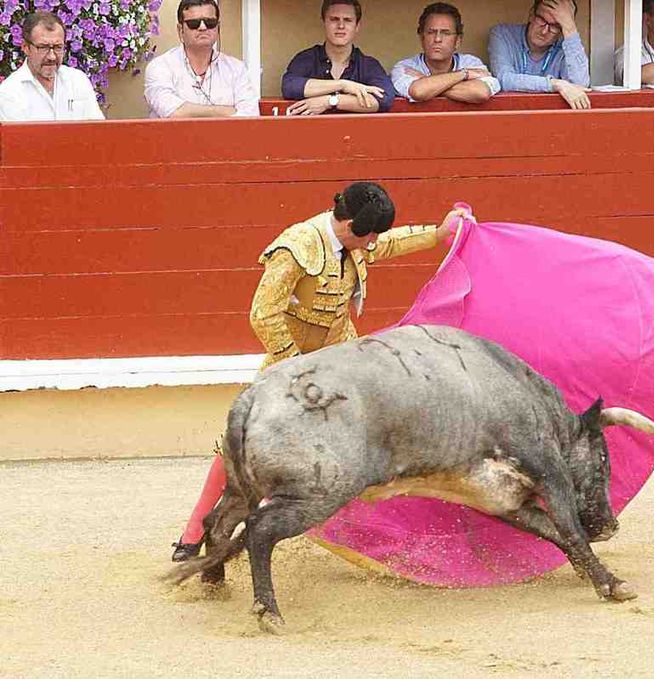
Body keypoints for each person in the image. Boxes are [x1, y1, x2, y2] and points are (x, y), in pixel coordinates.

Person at [171, 183, 467, 561]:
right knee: (240, 439)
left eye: (375, 233)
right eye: (366, 233)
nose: (372, 241)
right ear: (344, 222)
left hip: (340, 356)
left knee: (366, 438)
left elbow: (387, 244)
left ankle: (369, 536)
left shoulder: (360, 238)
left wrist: (437, 235)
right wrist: (294, 365)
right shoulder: (297, 246)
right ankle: (194, 532)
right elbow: (263, 314)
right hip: (290, 361)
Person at [144, 0, 259, 118]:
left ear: (218, 28)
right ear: (180, 30)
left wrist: (189, 110)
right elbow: (172, 112)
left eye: (210, 22)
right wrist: (227, 111)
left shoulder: (236, 69)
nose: (203, 27)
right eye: (194, 23)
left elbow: (250, 117)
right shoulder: (160, 67)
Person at [281, 0, 395, 115]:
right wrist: (343, 85)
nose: (341, 26)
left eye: (347, 20)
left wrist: (330, 101)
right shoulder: (306, 58)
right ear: (324, 23)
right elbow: (289, 86)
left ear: (357, 26)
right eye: (334, 19)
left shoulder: (368, 65)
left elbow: (384, 99)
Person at [0, 11, 104, 121]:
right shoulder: (10, 92)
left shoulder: (77, 80)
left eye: (58, 47)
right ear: (26, 47)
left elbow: (97, 130)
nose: (52, 57)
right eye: (43, 47)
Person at [488, 0, 591, 109]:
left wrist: (570, 28)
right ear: (532, 14)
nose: (544, 31)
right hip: (509, 116)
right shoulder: (503, 34)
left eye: (555, 26)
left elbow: (580, 85)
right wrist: (555, 84)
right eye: (542, 19)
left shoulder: (566, 47)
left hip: (552, 118)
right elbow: (504, 79)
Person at [391, 3, 500, 104]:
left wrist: (425, 81)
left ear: (457, 41)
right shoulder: (405, 67)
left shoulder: (471, 63)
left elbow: (480, 93)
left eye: (445, 33)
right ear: (421, 38)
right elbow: (418, 92)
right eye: (431, 32)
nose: (437, 39)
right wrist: (464, 74)